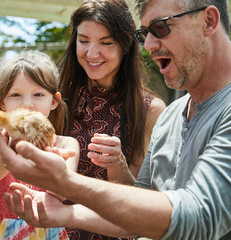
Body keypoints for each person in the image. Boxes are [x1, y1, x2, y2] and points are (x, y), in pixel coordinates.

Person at [0, 0, 231, 239]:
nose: (148, 45)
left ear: (209, 21)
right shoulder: (172, 114)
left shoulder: (157, 109)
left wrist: (66, 183)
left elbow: (201, 217)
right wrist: (66, 214)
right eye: (145, 34)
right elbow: (138, 215)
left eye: (160, 28)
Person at [55, 0, 165, 239]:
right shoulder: (55, 98)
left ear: (125, 45)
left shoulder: (149, 111)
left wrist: (118, 166)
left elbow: (143, 203)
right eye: (83, 41)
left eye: (106, 43)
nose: (92, 54)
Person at [0, 50, 80, 240]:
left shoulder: (66, 144)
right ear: (3, 102)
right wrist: (9, 150)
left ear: (54, 101)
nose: (27, 104)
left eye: (38, 94)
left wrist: (54, 162)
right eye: (15, 94)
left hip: (45, 231)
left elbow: (62, 194)